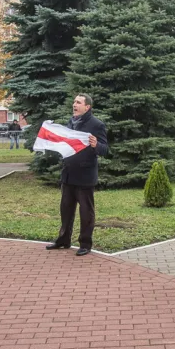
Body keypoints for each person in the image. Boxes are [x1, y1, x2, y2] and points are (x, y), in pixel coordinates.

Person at [45, 94, 109, 256]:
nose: (74, 104)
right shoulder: (71, 123)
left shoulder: (96, 125)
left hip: (85, 176)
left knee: (86, 212)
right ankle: (63, 240)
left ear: (87, 107)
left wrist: (96, 145)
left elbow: (105, 150)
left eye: (78, 102)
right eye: (74, 102)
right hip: (68, 174)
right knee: (65, 210)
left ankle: (85, 244)